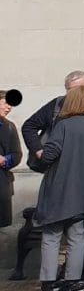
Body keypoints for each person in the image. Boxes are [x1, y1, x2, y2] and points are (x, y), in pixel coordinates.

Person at [22, 70, 84, 291]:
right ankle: (68, 288)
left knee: (51, 237)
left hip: (60, 188)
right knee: (77, 239)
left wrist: (39, 153)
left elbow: (49, 155)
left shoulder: (64, 125)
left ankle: (46, 288)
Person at [0, 89, 20, 230]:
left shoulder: (9, 126)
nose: (9, 107)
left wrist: (5, 160)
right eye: (5, 103)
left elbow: (17, 154)